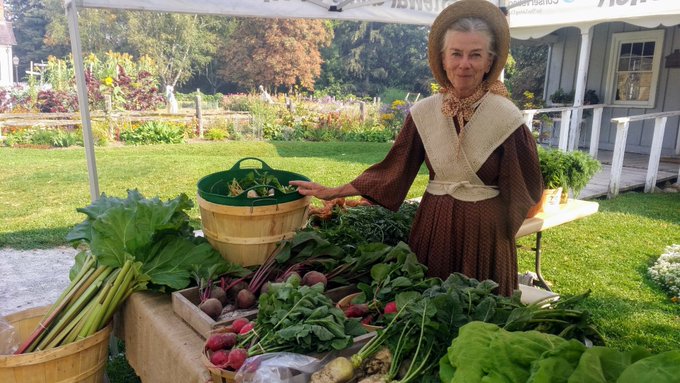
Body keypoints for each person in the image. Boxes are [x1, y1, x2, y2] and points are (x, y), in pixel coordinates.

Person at [290, 0, 543, 296]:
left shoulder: (506, 118)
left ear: (489, 62)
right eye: (456, 54)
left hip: (483, 236)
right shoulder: (424, 113)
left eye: (475, 55)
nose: (465, 64)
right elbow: (393, 171)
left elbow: (524, 187)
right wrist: (334, 192)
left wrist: (497, 235)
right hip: (433, 228)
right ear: (443, 59)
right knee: (429, 311)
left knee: (482, 313)